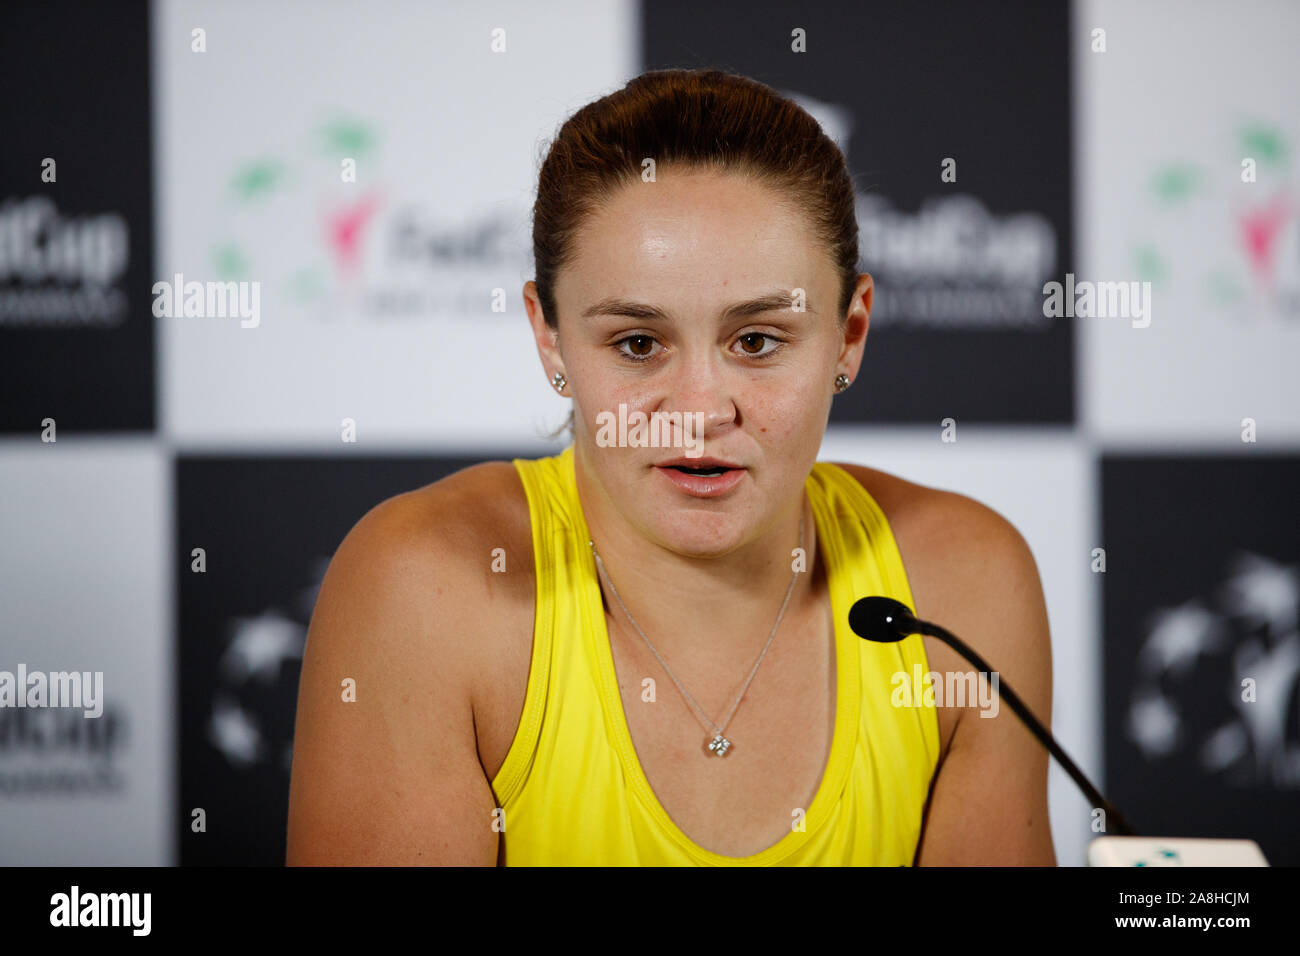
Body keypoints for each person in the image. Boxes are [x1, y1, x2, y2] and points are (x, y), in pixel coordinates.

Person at [285, 68, 1055, 866]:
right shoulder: (426, 591)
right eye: (637, 344)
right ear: (549, 337)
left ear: (849, 335)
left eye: (757, 341)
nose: (699, 409)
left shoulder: (964, 594)